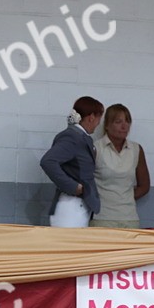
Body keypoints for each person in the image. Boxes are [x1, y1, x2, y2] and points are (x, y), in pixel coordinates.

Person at [40, 96, 104, 227]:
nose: (98, 123)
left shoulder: (81, 137)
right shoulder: (72, 137)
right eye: (99, 118)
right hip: (70, 207)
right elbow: (48, 161)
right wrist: (73, 187)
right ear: (91, 117)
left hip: (77, 206)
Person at [90, 103, 150, 228]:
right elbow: (85, 182)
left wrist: (123, 197)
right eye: (118, 122)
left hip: (129, 218)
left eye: (127, 122)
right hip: (102, 218)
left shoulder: (136, 149)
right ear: (107, 125)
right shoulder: (95, 148)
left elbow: (144, 186)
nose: (124, 126)